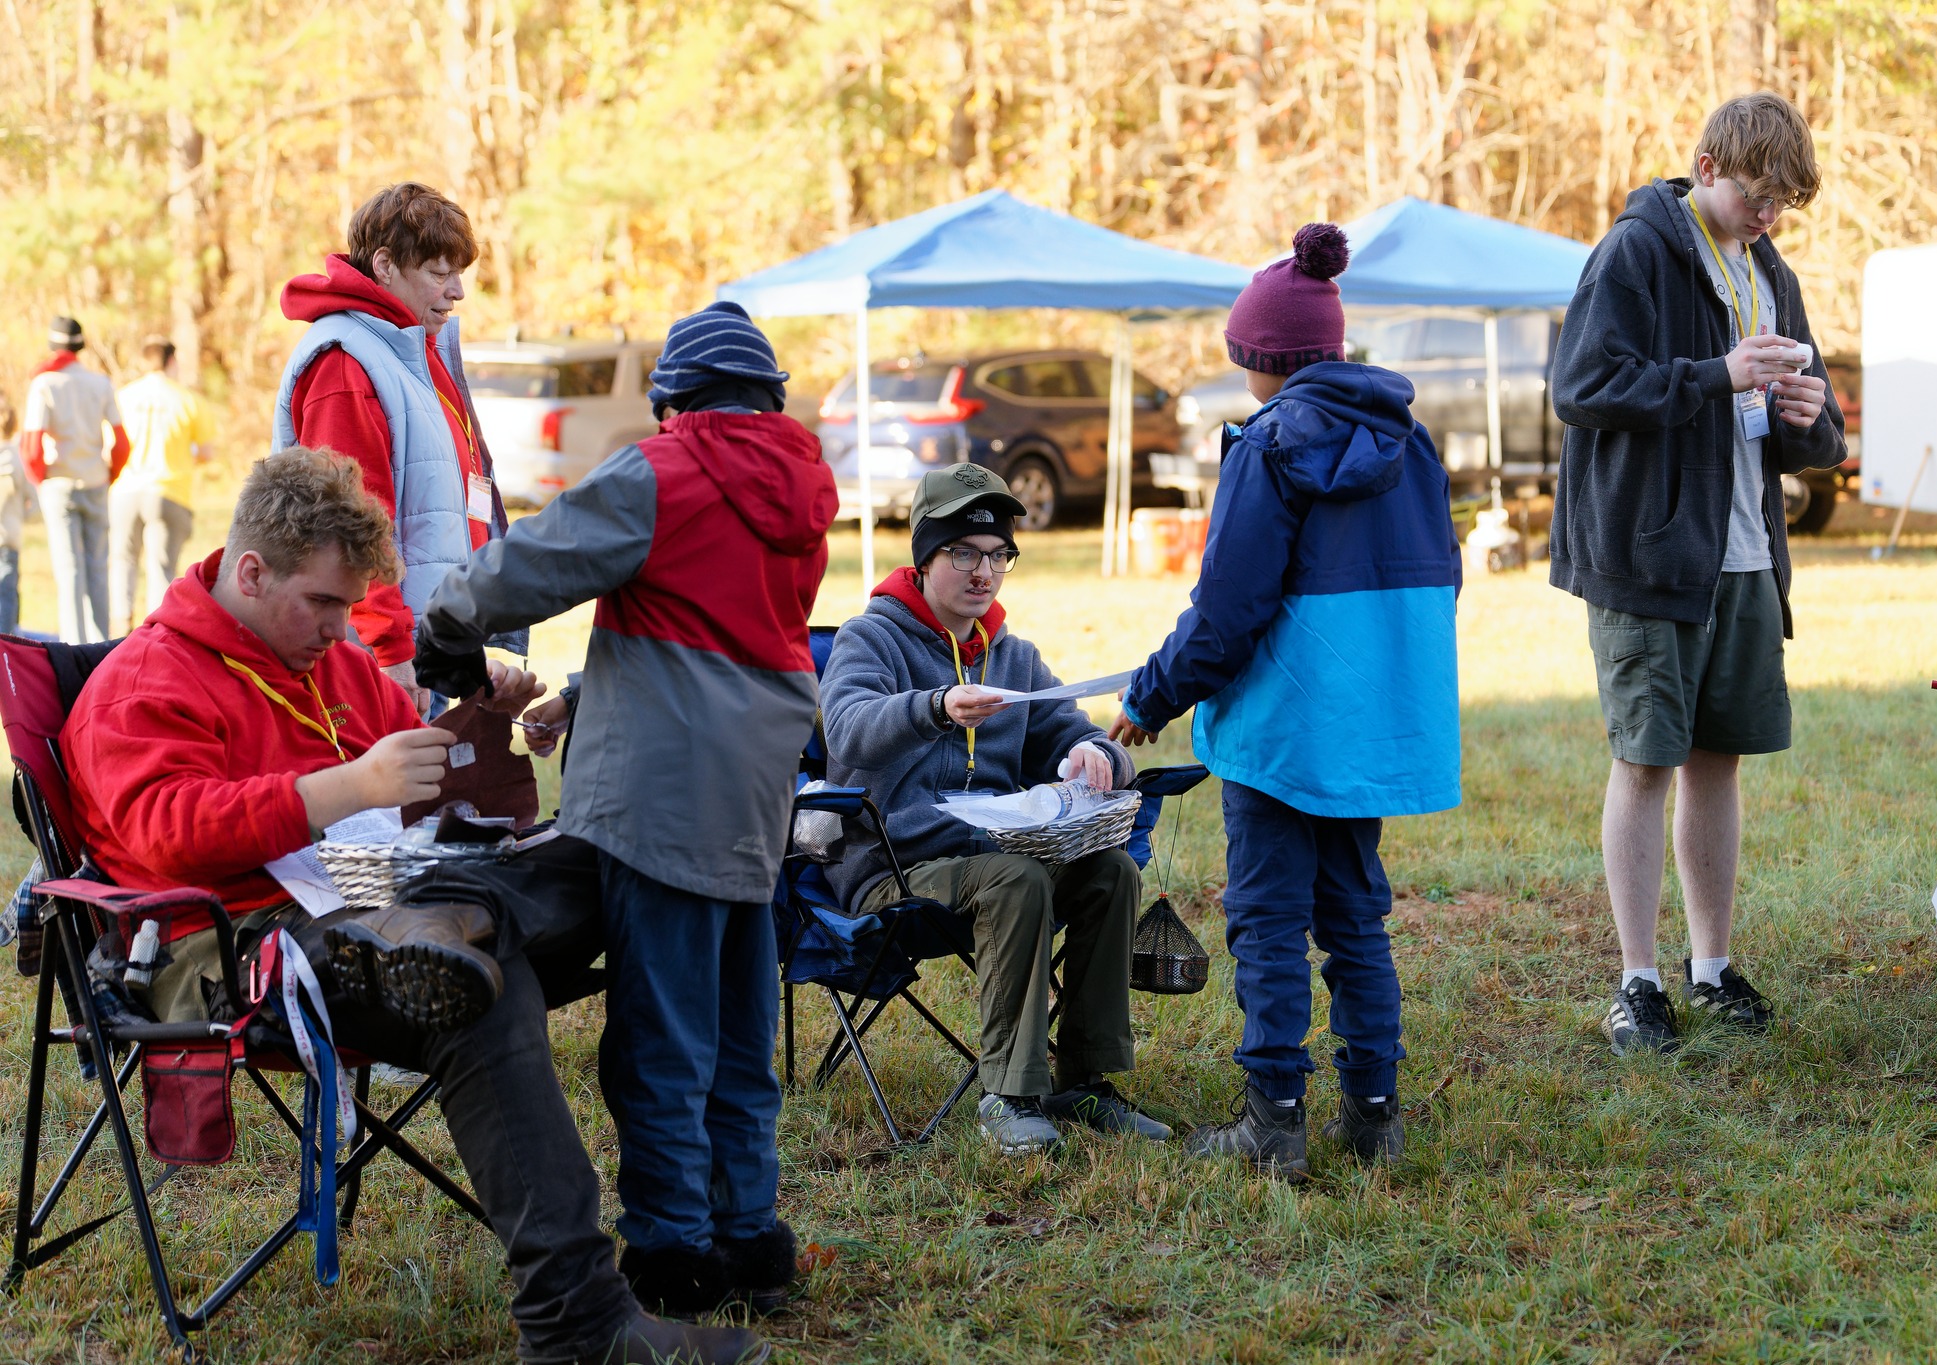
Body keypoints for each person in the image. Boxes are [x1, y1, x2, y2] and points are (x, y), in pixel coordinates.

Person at [60, 446, 765, 1365]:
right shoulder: (146, 677)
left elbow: (427, 804)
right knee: (470, 979)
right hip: (237, 946)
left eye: (351, 607)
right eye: (322, 603)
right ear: (248, 569)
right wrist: (341, 787)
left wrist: (476, 725)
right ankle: (581, 1326)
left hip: (379, 893)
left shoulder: (335, 665)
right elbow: (162, 829)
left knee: (619, 862)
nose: (339, 628)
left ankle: (452, 931)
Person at [412, 300, 834, 1323]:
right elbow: (722, 627)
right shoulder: (805, 483)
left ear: (674, 398)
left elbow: (530, 564)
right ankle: (751, 1237)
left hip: (661, 791)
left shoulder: (668, 467)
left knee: (660, 1038)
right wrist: (594, 692)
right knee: (739, 1021)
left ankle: (674, 1252)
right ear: (767, 397)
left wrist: (449, 626)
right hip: (753, 781)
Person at [1110, 223, 1462, 1183]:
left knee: (1266, 916)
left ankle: (1275, 1119)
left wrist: (1151, 695)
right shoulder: (1412, 441)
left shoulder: (1266, 446)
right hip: (1364, 727)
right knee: (1355, 913)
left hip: (1279, 729)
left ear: (1261, 357)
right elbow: (1441, 580)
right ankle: (1374, 1114)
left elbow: (1226, 611)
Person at [1546, 92, 1847, 1056]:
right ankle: (1638, 982)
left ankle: (1709, 968)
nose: (1769, 217)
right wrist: (1718, 374)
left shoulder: (1772, 272)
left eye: (1784, 205)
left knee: (1719, 758)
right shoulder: (1636, 251)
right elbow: (1581, 388)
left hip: (1748, 556)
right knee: (1646, 761)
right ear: (1710, 163)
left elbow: (1819, 437)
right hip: (1647, 555)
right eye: (1760, 195)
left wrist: (1810, 415)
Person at [820, 463, 1165, 1158]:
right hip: (895, 868)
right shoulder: (871, 638)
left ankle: (1083, 1079)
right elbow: (848, 726)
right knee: (1016, 879)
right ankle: (1007, 1093)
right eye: (964, 553)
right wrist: (934, 706)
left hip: (997, 854)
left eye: (998, 554)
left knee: (1109, 873)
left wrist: (1100, 754)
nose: (984, 572)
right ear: (924, 558)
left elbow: (1068, 728)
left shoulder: (1010, 655)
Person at [272, 182, 516, 715]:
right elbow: (349, 521)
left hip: (429, 642)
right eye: (438, 273)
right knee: (379, 799)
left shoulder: (414, 348)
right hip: (376, 660)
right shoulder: (346, 362)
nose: (457, 292)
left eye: (460, 274)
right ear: (384, 265)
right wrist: (391, 651)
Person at [21, 316, 128, 643]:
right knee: (98, 567)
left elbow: (30, 447)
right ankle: (100, 645)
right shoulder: (100, 383)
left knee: (69, 571)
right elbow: (122, 442)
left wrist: (41, 481)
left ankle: (73, 645)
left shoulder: (45, 384)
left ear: (54, 345)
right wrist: (108, 475)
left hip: (59, 483)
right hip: (95, 481)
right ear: (80, 346)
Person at [111, 336, 216, 633]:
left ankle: (119, 632)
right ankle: (153, 635)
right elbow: (206, 452)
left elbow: (111, 445)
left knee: (122, 561)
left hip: (125, 489)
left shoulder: (124, 396)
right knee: (160, 568)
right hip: (169, 490)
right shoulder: (188, 400)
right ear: (171, 361)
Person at [0, 392, 24, 635]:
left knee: (7, 593)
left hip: (7, 538)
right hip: (9, 537)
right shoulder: (17, 459)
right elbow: (30, 500)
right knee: (7, 594)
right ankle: (7, 642)